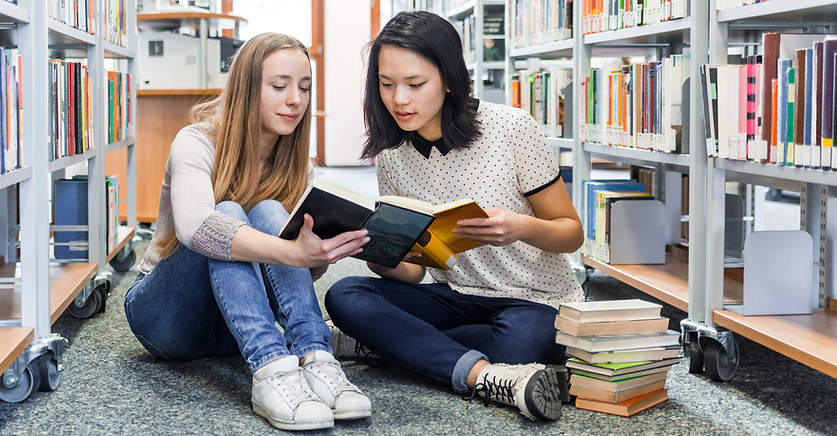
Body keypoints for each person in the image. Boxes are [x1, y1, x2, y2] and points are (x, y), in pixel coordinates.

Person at [324, 11, 585, 422]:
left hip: (534, 301)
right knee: (345, 296)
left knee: (518, 343)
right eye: (386, 84)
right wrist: (381, 253)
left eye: (415, 84)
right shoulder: (392, 157)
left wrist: (520, 228)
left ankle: (396, 345)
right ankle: (484, 375)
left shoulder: (511, 128)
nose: (399, 99)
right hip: (456, 297)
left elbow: (571, 234)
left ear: (448, 79)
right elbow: (413, 276)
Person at [124, 32, 372, 431]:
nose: (295, 99)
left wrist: (319, 254)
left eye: (304, 87)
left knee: (271, 210)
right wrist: (290, 252)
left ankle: (315, 355)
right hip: (164, 318)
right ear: (245, 88)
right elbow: (197, 228)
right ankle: (271, 366)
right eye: (279, 86)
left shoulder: (296, 166)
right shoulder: (196, 141)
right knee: (226, 212)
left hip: (235, 325)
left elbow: (289, 279)